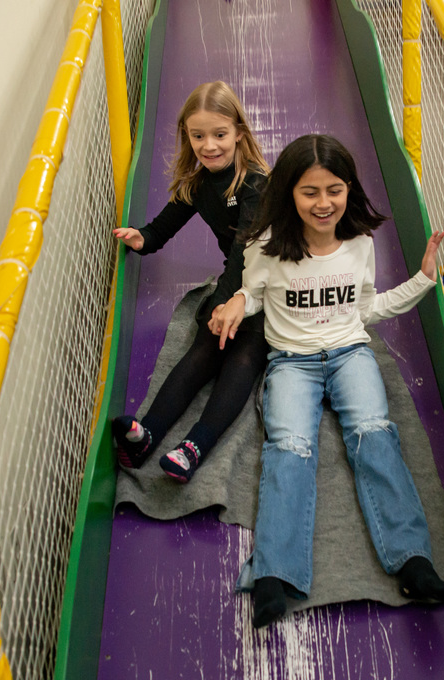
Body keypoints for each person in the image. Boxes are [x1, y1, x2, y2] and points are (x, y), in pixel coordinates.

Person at [217, 134, 444, 629]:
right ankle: (273, 575)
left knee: (374, 433)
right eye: (309, 192)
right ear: (289, 194)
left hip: (350, 353)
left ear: (348, 191)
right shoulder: (266, 248)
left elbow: (364, 309)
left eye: (335, 190)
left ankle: (412, 559)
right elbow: (254, 292)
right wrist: (240, 300)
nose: (323, 203)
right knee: (288, 446)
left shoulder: (360, 244)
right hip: (292, 362)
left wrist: (423, 280)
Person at [109, 81, 270, 483]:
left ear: (238, 133)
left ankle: (195, 445)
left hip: (270, 286)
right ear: (187, 136)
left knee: (243, 355)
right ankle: (148, 434)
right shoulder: (198, 184)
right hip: (236, 283)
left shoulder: (255, 183)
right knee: (203, 349)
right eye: (198, 136)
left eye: (219, 134)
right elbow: (163, 226)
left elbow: (244, 250)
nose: (209, 145)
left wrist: (224, 301)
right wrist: (141, 237)